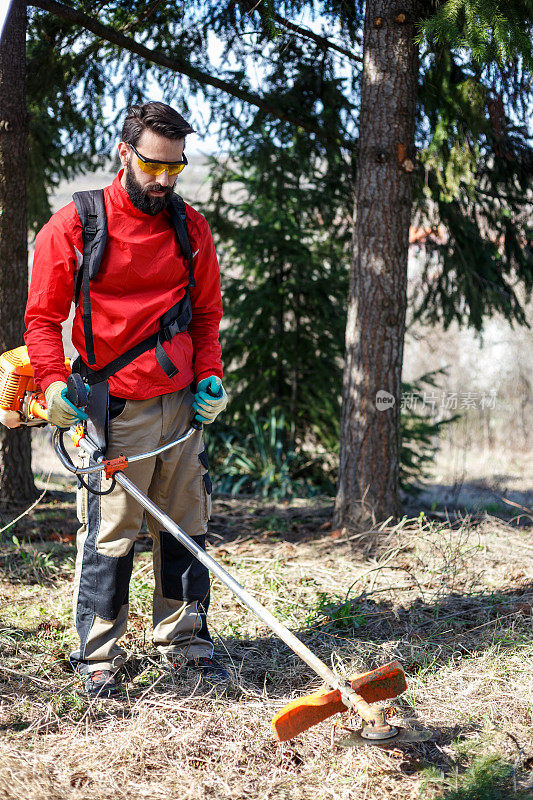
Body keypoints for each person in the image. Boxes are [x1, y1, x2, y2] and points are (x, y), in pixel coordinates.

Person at [25, 101, 229, 698]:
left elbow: (207, 316)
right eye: (152, 166)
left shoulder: (190, 229)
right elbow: (42, 319)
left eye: (176, 169)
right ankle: (97, 656)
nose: (163, 180)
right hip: (112, 409)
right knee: (111, 533)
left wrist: (209, 377)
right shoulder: (75, 226)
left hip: (182, 406)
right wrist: (51, 384)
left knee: (186, 527)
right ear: (124, 152)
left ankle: (186, 640)